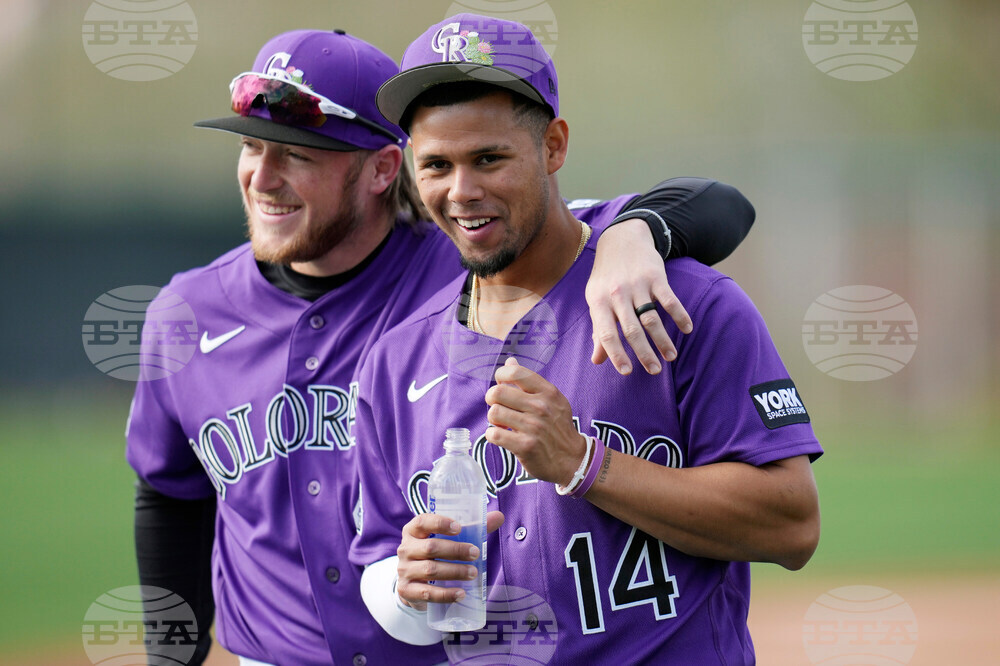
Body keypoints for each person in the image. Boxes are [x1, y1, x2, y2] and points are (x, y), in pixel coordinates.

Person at [125, 28, 754, 666]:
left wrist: (634, 232)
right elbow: (168, 494)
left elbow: (715, 206)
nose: (263, 177)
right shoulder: (186, 313)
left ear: (380, 168)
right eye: (252, 146)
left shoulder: (471, 259)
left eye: (299, 155)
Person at [350, 13, 822, 665]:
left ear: (553, 147)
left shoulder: (682, 303)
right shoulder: (392, 364)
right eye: (436, 165)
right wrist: (408, 589)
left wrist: (582, 463)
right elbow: (380, 572)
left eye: (490, 158)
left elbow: (792, 525)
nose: (462, 191)